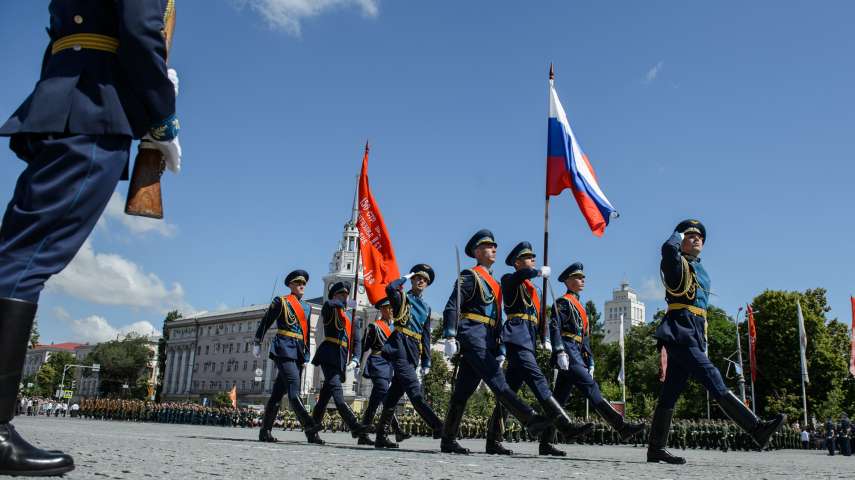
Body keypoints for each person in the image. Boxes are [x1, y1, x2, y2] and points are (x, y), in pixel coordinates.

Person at [0, 1, 182, 476]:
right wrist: (162, 112)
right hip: (96, 106)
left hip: (66, 93)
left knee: (16, 255)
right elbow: (142, 28)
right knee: (25, 263)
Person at [647, 220, 785, 464]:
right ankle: (756, 429)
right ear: (680, 240)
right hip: (681, 329)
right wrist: (676, 235)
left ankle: (656, 448)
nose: (696, 238)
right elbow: (668, 250)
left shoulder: (701, 269)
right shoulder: (675, 262)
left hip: (694, 332)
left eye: (699, 236)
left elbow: (701, 309)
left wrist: (704, 339)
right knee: (713, 378)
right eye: (690, 235)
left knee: (670, 394)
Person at [440, 230, 553, 454]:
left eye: (494, 246)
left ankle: (448, 439)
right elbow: (453, 305)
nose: (494, 249)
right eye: (488, 246)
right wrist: (450, 334)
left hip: (488, 339)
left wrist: (500, 346)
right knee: (498, 382)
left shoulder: (493, 282)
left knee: (462, 392)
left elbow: (498, 318)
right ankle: (531, 419)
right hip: (473, 336)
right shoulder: (470, 276)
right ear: (477, 251)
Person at [485, 242, 593, 456]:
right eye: (527, 257)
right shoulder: (510, 279)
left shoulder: (535, 290)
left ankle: (493, 440)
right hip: (517, 338)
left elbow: (540, 317)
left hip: (529, 340)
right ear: (517, 262)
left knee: (508, 394)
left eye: (534, 256)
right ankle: (565, 426)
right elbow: (519, 277)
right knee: (539, 382)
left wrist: (544, 337)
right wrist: (535, 271)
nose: (533, 258)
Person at [541, 261, 644, 456]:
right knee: (590, 387)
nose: (582, 280)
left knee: (558, 400)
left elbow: (585, 338)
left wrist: (590, 360)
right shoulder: (563, 302)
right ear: (569, 281)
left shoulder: (579, 306)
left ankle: (545, 443)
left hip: (577, 352)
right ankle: (621, 427)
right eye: (578, 278)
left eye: (583, 277)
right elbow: (555, 326)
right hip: (568, 351)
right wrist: (559, 350)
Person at [372, 265, 445, 449]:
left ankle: (381, 436)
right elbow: (389, 288)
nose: (421, 281)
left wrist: (427, 360)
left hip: (413, 351)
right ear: (412, 280)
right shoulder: (402, 298)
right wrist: (404, 277)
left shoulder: (427, 308)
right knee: (414, 390)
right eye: (418, 277)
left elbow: (426, 336)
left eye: (425, 280)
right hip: (400, 347)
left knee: (393, 395)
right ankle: (438, 426)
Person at [253, 270, 323, 443]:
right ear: (290, 285)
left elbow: (305, 333)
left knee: (277, 394)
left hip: (298, 351)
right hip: (284, 348)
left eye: (304, 283)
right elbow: (266, 321)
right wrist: (257, 341)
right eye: (298, 283)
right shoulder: (281, 301)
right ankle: (310, 426)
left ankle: (265, 431)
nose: (301, 286)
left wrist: (306, 352)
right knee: (294, 388)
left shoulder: (307, 307)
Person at [309, 282, 369, 442]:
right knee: (338, 395)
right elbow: (328, 303)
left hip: (342, 358)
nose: (344, 297)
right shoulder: (330, 309)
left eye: (346, 295)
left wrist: (356, 358)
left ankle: (311, 430)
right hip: (329, 354)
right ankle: (354, 426)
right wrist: (343, 303)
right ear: (335, 296)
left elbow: (357, 341)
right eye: (340, 295)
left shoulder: (352, 317)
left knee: (323, 399)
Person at [358, 297, 408, 446]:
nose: (391, 310)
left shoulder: (395, 327)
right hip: (378, 362)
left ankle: (364, 433)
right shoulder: (374, 326)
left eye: (392, 308)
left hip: (390, 365)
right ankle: (395, 430)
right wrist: (357, 364)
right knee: (383, 392)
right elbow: (364, 346)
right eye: (388, 308)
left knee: (379, 399)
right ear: (381, 310)